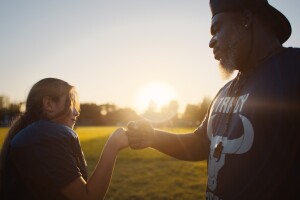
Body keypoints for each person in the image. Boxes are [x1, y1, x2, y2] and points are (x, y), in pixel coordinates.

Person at [126, 0, 300, 199]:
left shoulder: (294, 68)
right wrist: (153, 137)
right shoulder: (225, 90)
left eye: (216, 29)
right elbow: (202, 142)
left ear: (245, 19)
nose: (211, 42)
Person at [0, 78, 128, 200]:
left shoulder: (35, 136)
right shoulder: (45, 139)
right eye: (71, 103)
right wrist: (113, 146)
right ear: (48, 104)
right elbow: (88, 197)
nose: (76, 112)